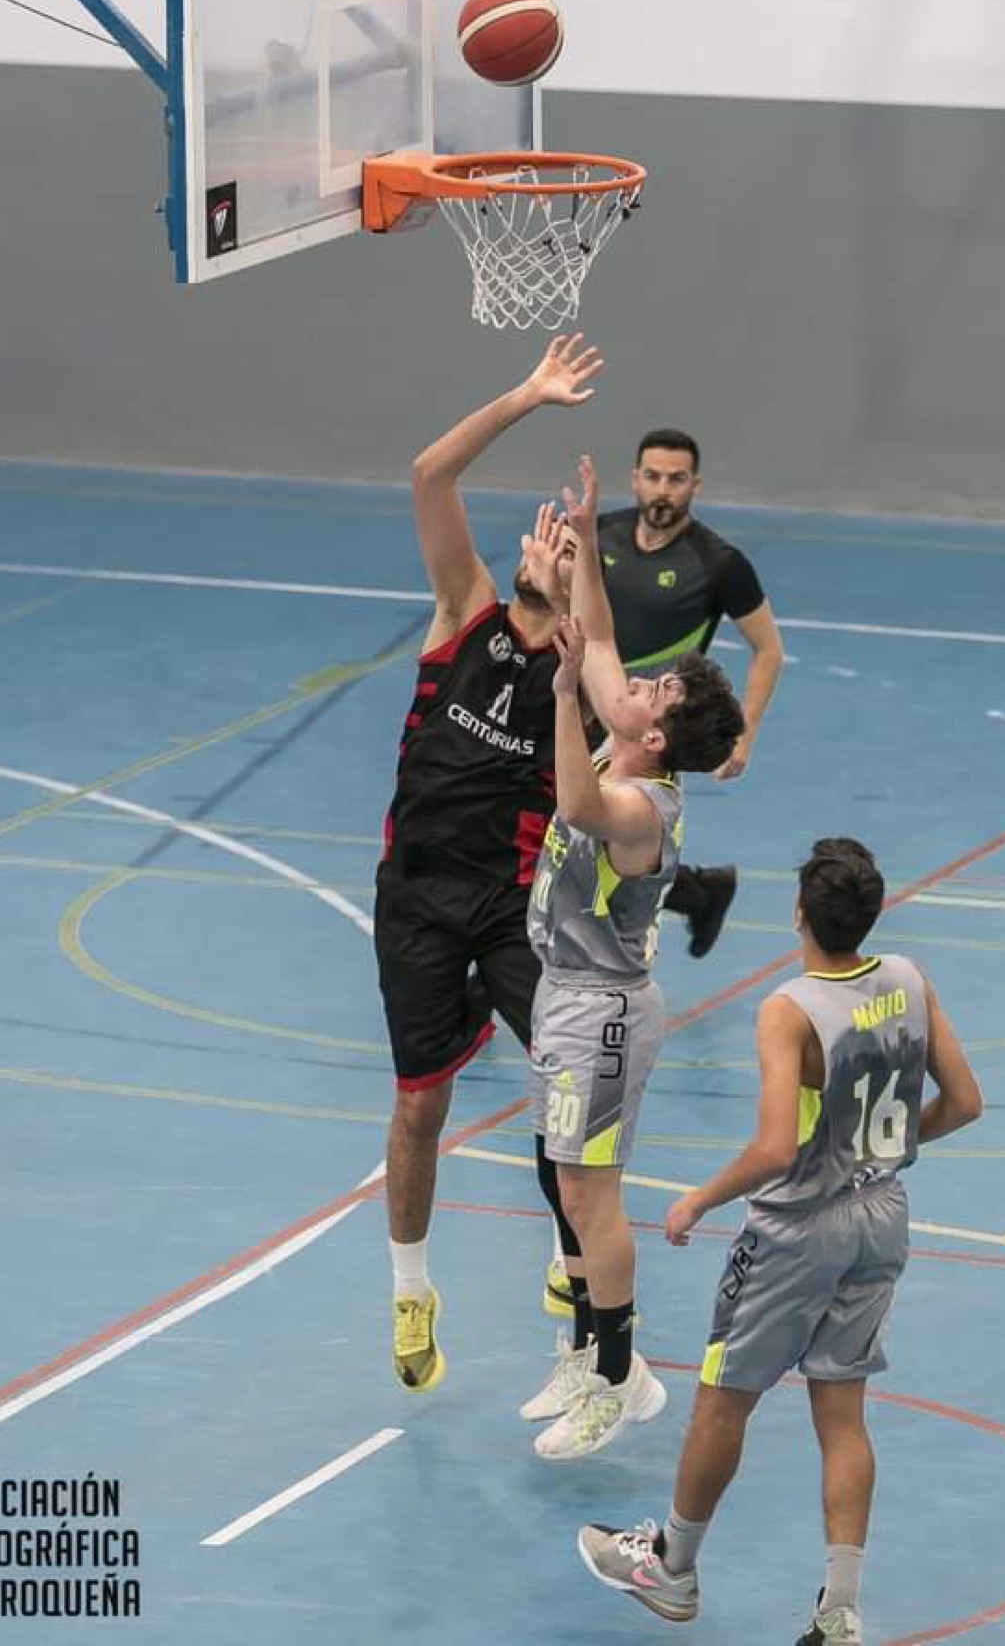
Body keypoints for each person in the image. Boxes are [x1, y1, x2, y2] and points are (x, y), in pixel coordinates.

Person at [577, 837, 984, 1642]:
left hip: (797, 1230)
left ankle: (672, 1569)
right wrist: (880, 1151)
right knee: (842, 1414)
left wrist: (697, 1200)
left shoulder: (789, 1010)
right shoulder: (909, 979)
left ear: (799, 913)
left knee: (721, 1400)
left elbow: (771, 1148)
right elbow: (964, 1102)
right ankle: (839, 1612)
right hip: (881, 1215)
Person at [378, 334, 605, 1394]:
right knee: (419, 1106)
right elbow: (431, 473)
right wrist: (527, 394)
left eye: (555, 543)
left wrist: (582, 569)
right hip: (415, 898)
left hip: (516, 904)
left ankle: (568, 1256)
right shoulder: (463, 610)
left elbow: (603, 665)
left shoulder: (578, 667)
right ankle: (410, 1287)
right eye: (538, 533)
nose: (538, 539)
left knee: (566, 1083)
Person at [520, 457, 745, 1459]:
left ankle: (619, 1376)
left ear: (652, 733)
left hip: (602, 1012)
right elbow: (605, 636)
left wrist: (565, 692)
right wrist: (584, 556)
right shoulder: (633, 736)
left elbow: (576, 804)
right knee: (561, 1177)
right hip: (563, 992)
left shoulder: (640, 805)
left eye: (652, 689)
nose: (637, 681)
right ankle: (588, 1350)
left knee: (590, 1194)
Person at [598, 428, 786, 960]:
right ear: (635, 479)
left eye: (676, 480)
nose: (663, 490)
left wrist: (745, 734)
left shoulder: (719, 564)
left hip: (648, 735)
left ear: (695, 486)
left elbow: (769, 650)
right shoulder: (599, 536)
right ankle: (702, 893)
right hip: (582, 712)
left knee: (612, 851)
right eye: (653, 477)